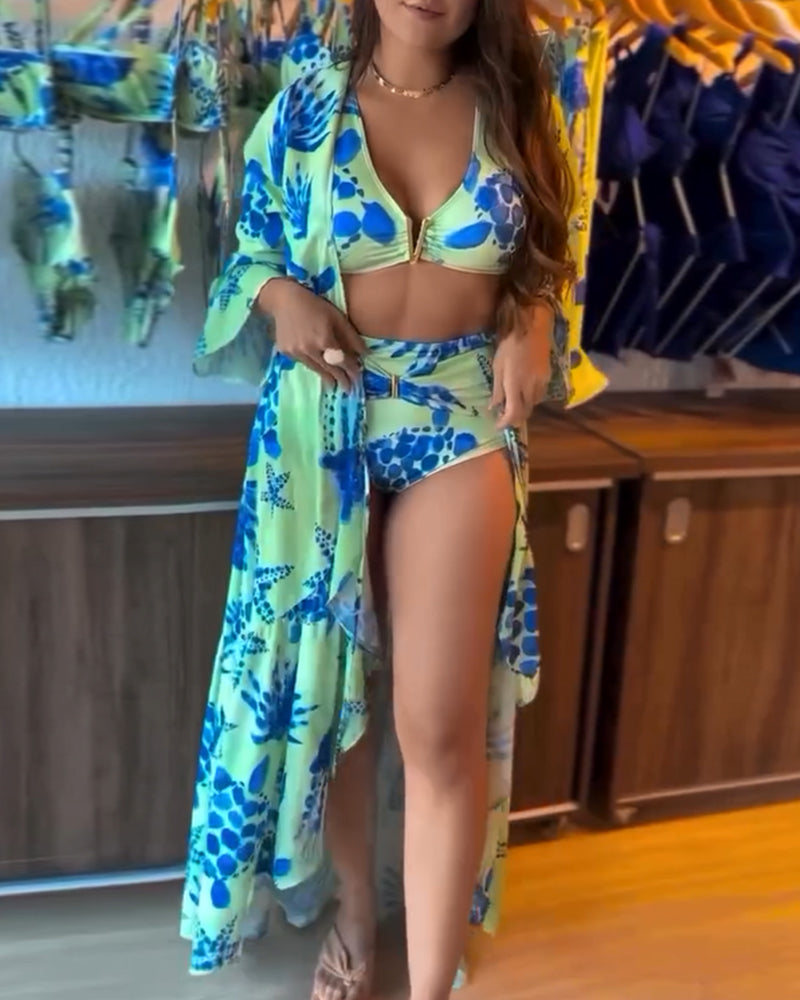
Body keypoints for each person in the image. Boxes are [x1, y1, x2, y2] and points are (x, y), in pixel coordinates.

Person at [180, 2, 587, 999]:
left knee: (438, 722)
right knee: (338, 708)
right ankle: (357, 918)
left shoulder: (520, 100)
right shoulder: (304, 105)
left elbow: (550, 248)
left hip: (459, 419)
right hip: (324, 427)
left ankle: (431, 983)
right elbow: (249, 256)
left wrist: (533, 318)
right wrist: (282, 298)